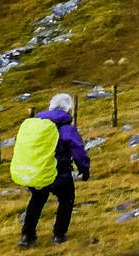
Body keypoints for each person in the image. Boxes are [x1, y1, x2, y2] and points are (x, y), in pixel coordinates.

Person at [18, 93, 90, 247]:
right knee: (66, 200)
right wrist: (84, 168)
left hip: (37, 171)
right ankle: (59, 234)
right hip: (59, 172)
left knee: (36, 200)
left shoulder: (36, 125)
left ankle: (26, 235)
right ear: (68, 109)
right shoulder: (66, 128)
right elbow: (77, 149)